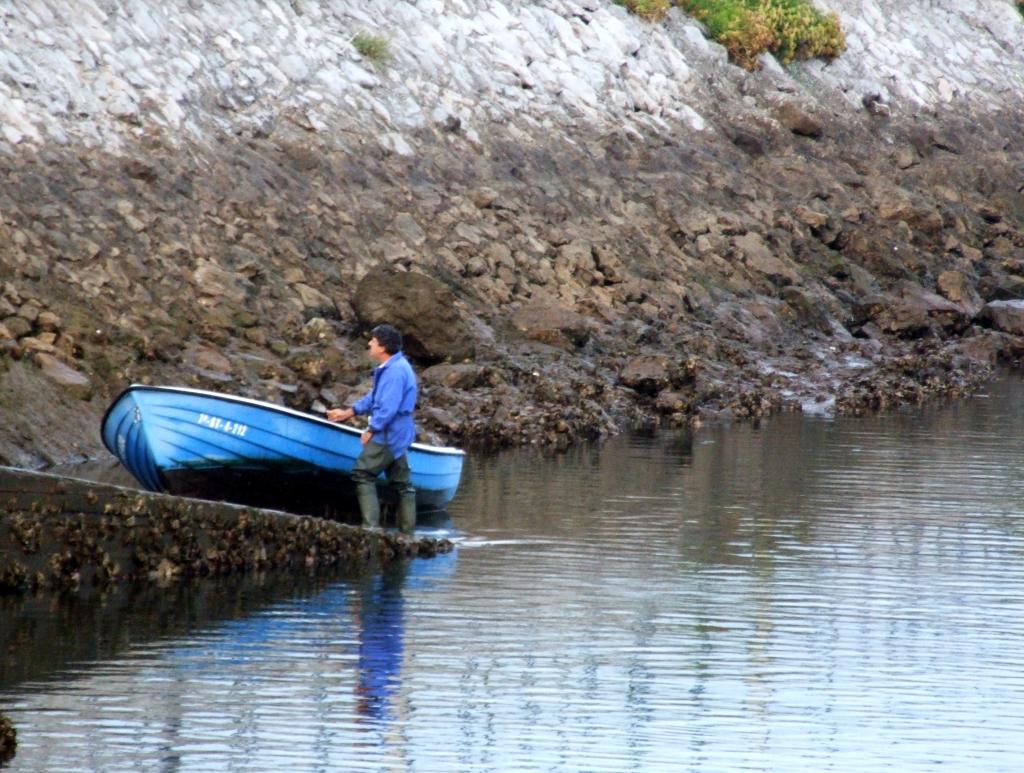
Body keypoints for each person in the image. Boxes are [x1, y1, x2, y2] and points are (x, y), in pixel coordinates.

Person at [327, 324, 419, 533]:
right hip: (398, 432)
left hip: (389, 433)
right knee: (403, 485)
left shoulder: (395, 371)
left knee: (363, 473)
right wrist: (349, 412)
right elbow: (375, 397)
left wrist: (372, 429)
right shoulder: (396, 366)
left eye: (373, 341)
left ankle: (370, 529)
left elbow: (387, 408)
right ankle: (407, 535)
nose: (369, 344)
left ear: (383, 347)